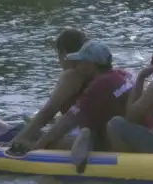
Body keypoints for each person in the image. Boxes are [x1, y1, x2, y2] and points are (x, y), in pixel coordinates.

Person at [20, 40, 136, 172]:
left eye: (80, 62)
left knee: (58, 141)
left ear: (90, 65)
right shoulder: (124, 74)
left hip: (117, 141)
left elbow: (67, 121)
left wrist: (37, 147)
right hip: (130, 130)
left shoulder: (99, 85)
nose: (76, 65)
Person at [5, 27, 89, 153]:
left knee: (17, 132)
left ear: (63, 53)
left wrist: (15, 143)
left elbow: (48, 112)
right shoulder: (95, 68)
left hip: (79, 135)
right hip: (89, 129)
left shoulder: (71, 75)